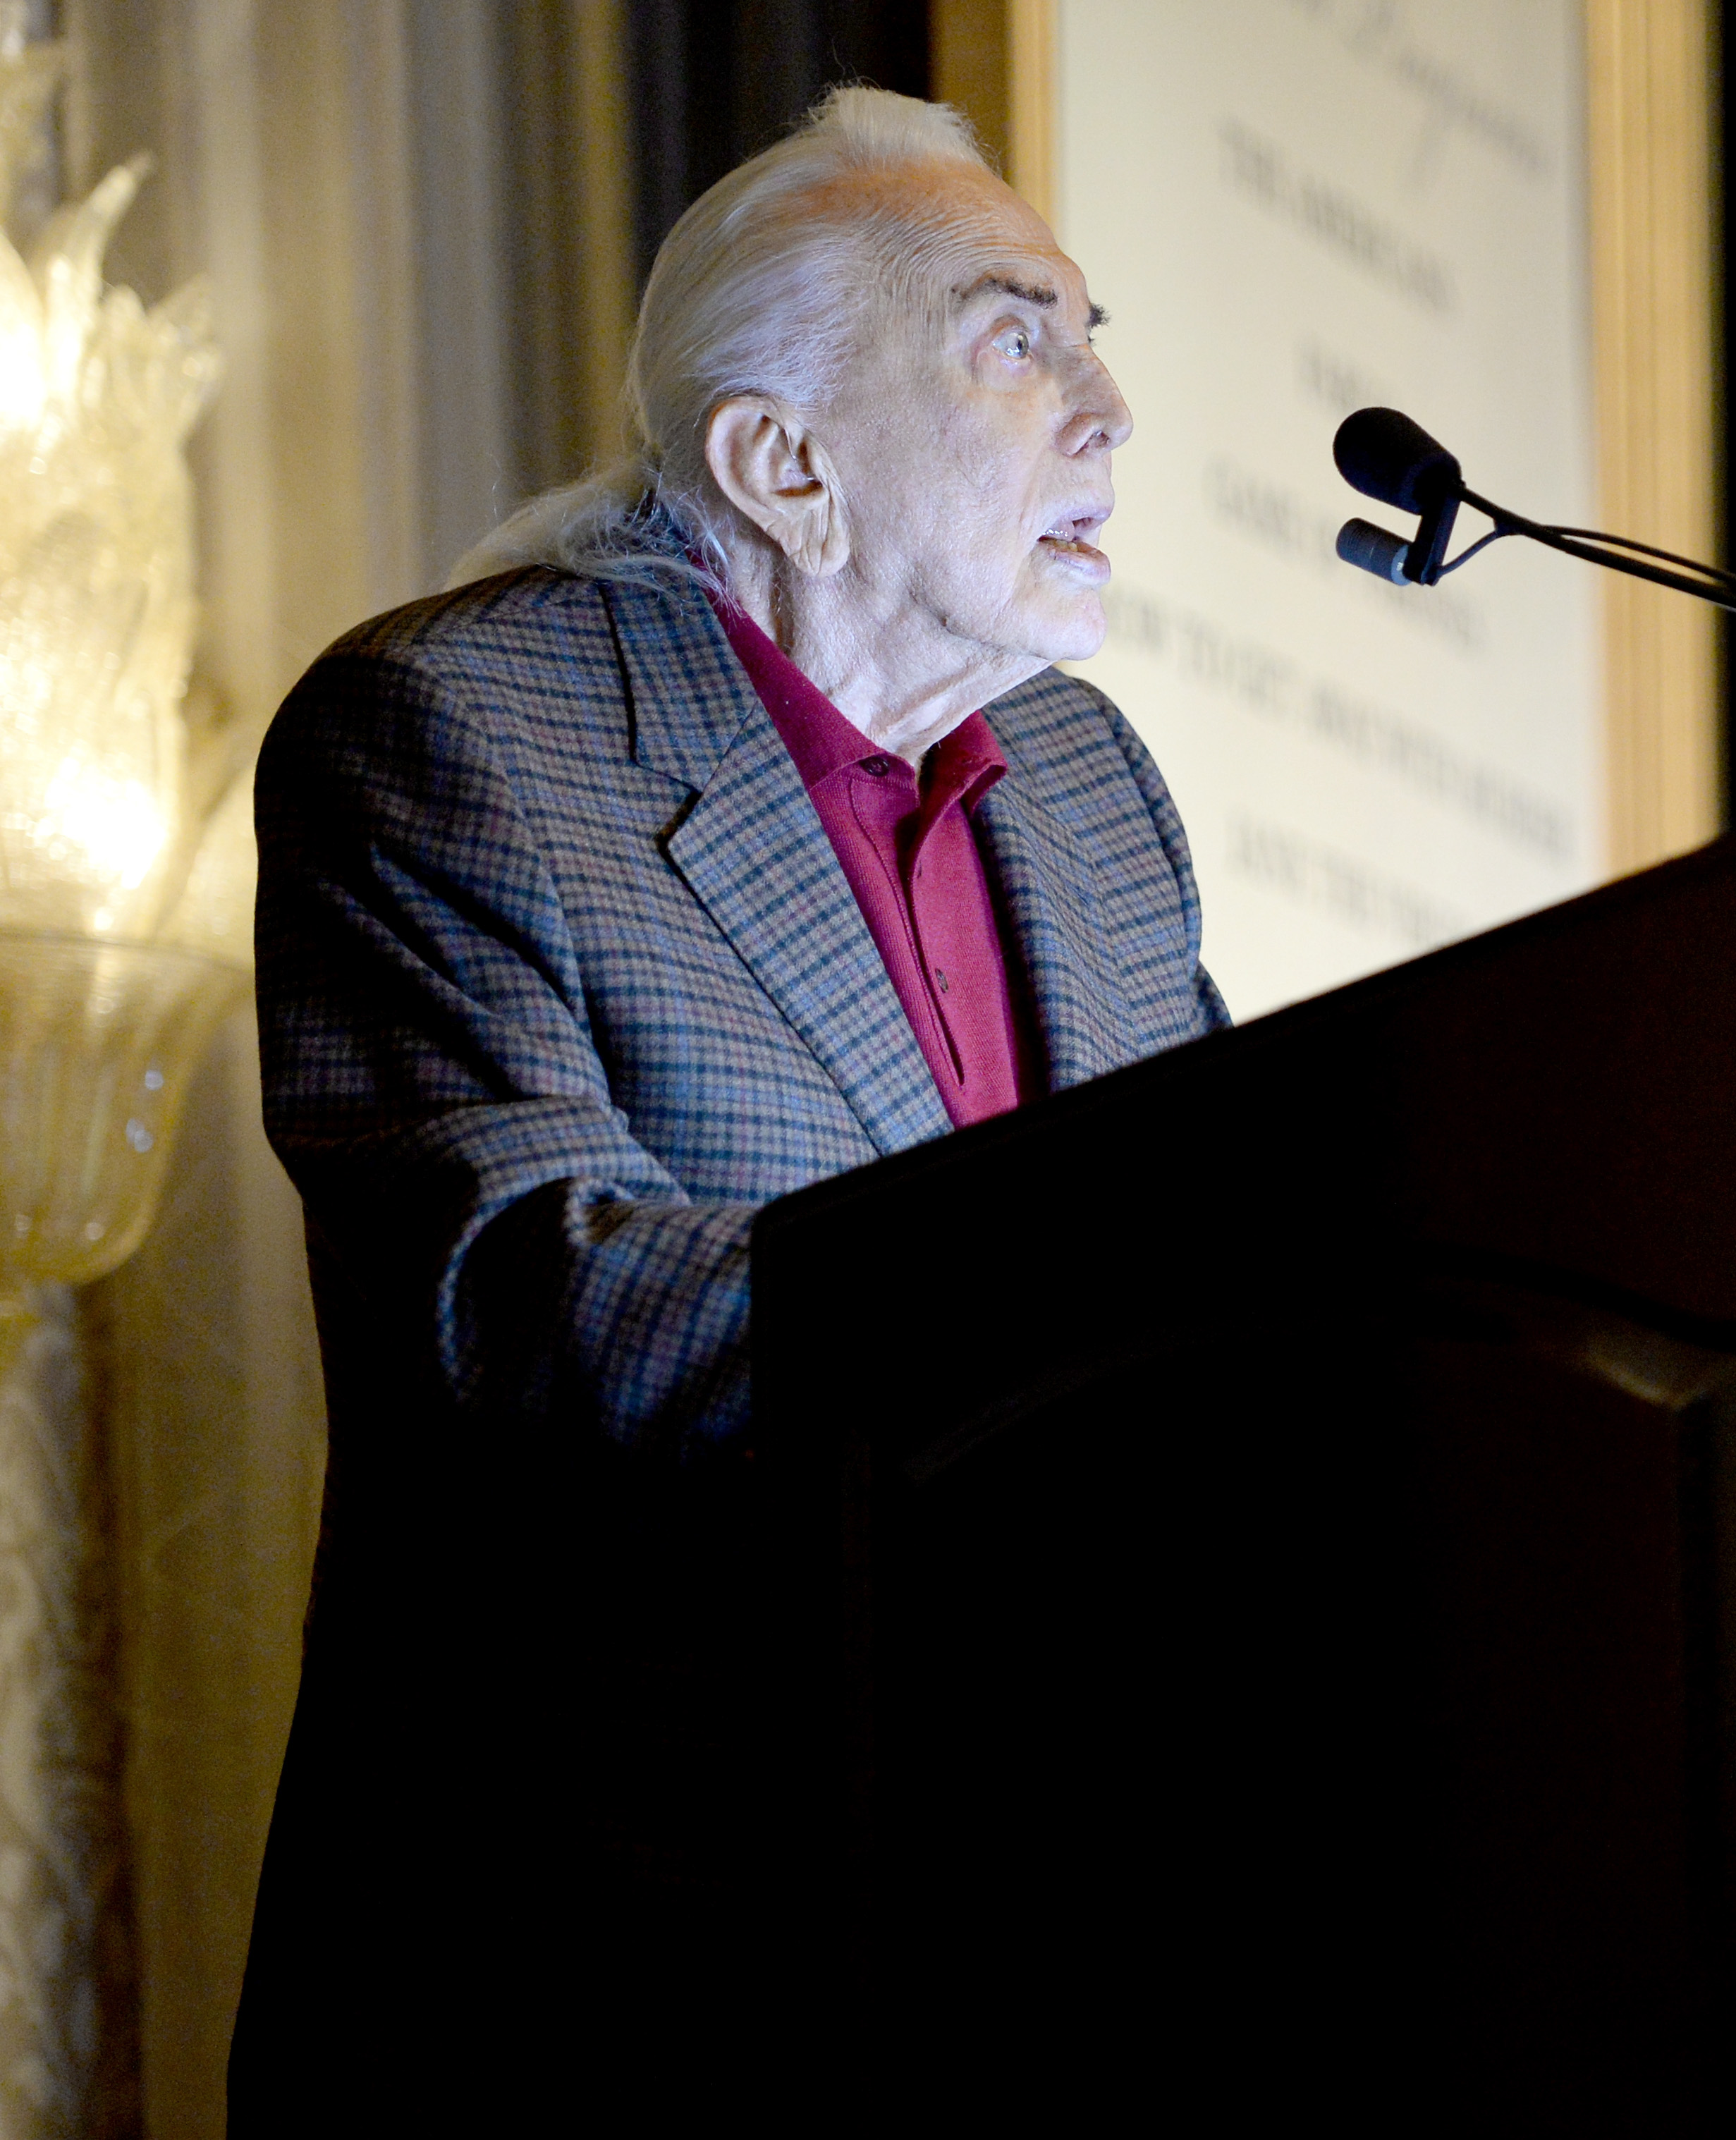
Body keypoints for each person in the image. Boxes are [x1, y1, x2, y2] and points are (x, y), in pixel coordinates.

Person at [228, 87, 1222, 2131]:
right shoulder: (454, 732)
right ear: (784, 461)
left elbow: (1248, 1227)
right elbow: (523, 1292)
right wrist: (1073, 1322)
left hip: (1066, 1958)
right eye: (1018, 338)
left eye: (1095, 334)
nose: (1108, 407)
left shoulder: (1100, 800)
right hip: (613, 1978)